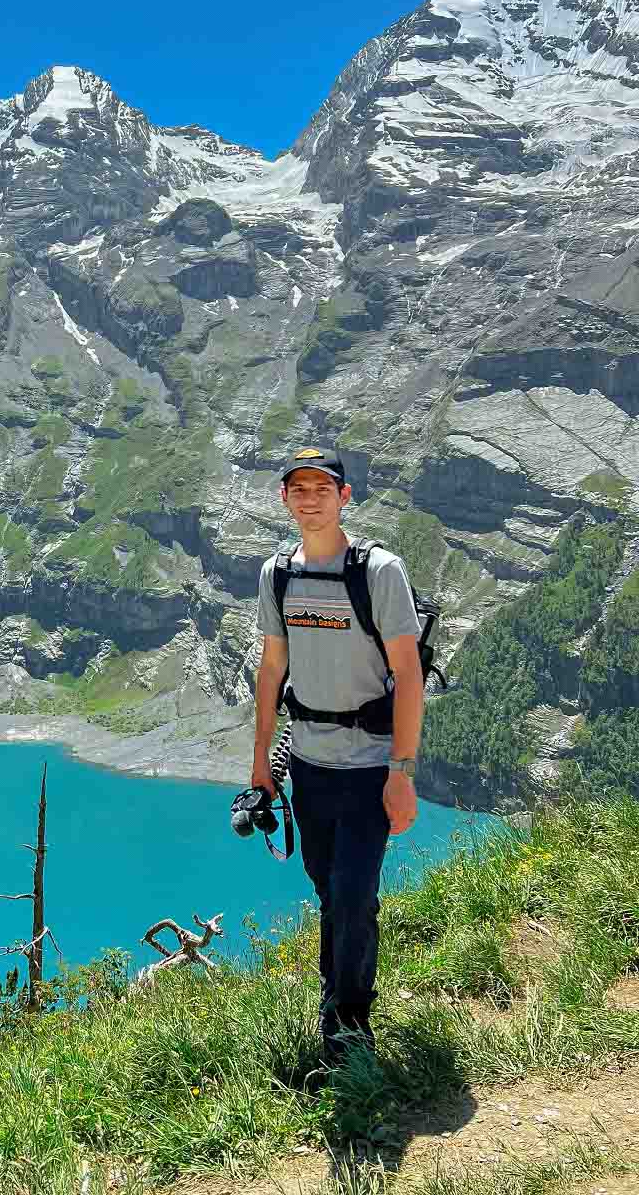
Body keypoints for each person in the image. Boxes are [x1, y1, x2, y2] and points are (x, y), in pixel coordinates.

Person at [252, 447, 424, 1068]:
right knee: (331, 892)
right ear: (285, 499)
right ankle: (341, 1001)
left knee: (352, 893)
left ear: (345, 496)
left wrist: (401, 775)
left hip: (370, 766)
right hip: (309, 767)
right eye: (298, 488)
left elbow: (408, 675)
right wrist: (261, 776)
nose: (310, 497)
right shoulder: (277, 574)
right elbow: (272, 671)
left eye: (322, 487)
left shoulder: (378, 571)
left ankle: (347, 1031)